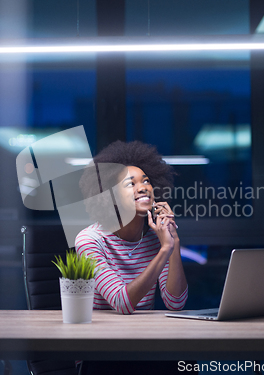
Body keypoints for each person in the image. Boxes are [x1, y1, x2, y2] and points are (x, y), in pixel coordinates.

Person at [75, 140, 194, 375]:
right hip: (102, 350)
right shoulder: (89, 240)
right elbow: (122, 302)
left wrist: (173, 242)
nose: (143, 187)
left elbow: (175, 302)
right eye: (131, 183)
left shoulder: (156, 238)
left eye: (146, 181)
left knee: (185, 365)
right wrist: (163, 251)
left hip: (146, 343)